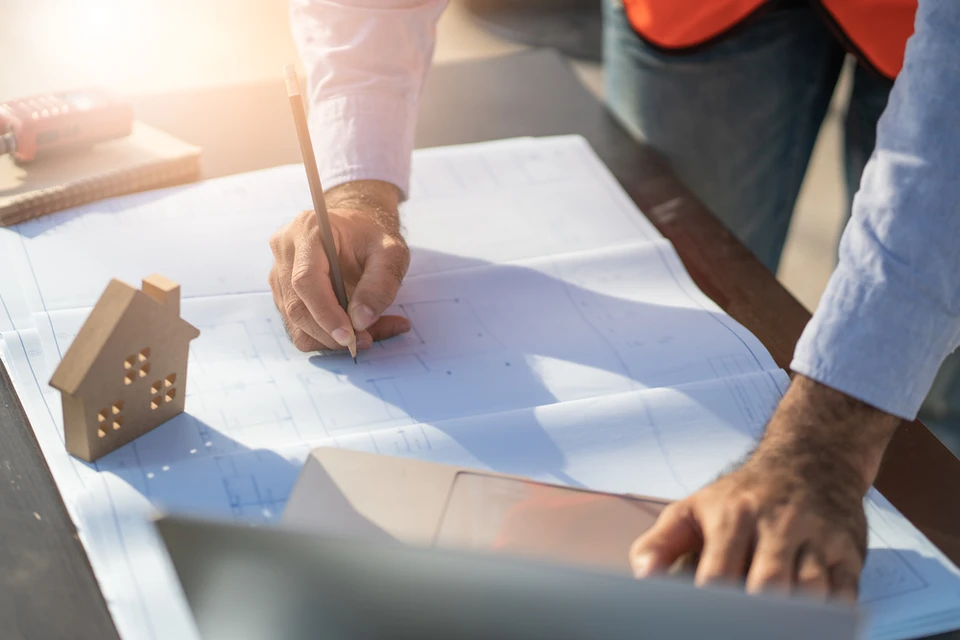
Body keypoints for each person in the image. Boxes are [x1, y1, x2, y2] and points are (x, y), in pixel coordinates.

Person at [270, 0, 959, 600]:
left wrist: (828, 445)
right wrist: (355, 185)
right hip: (700, 13)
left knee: (927, 409)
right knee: (703, 298)